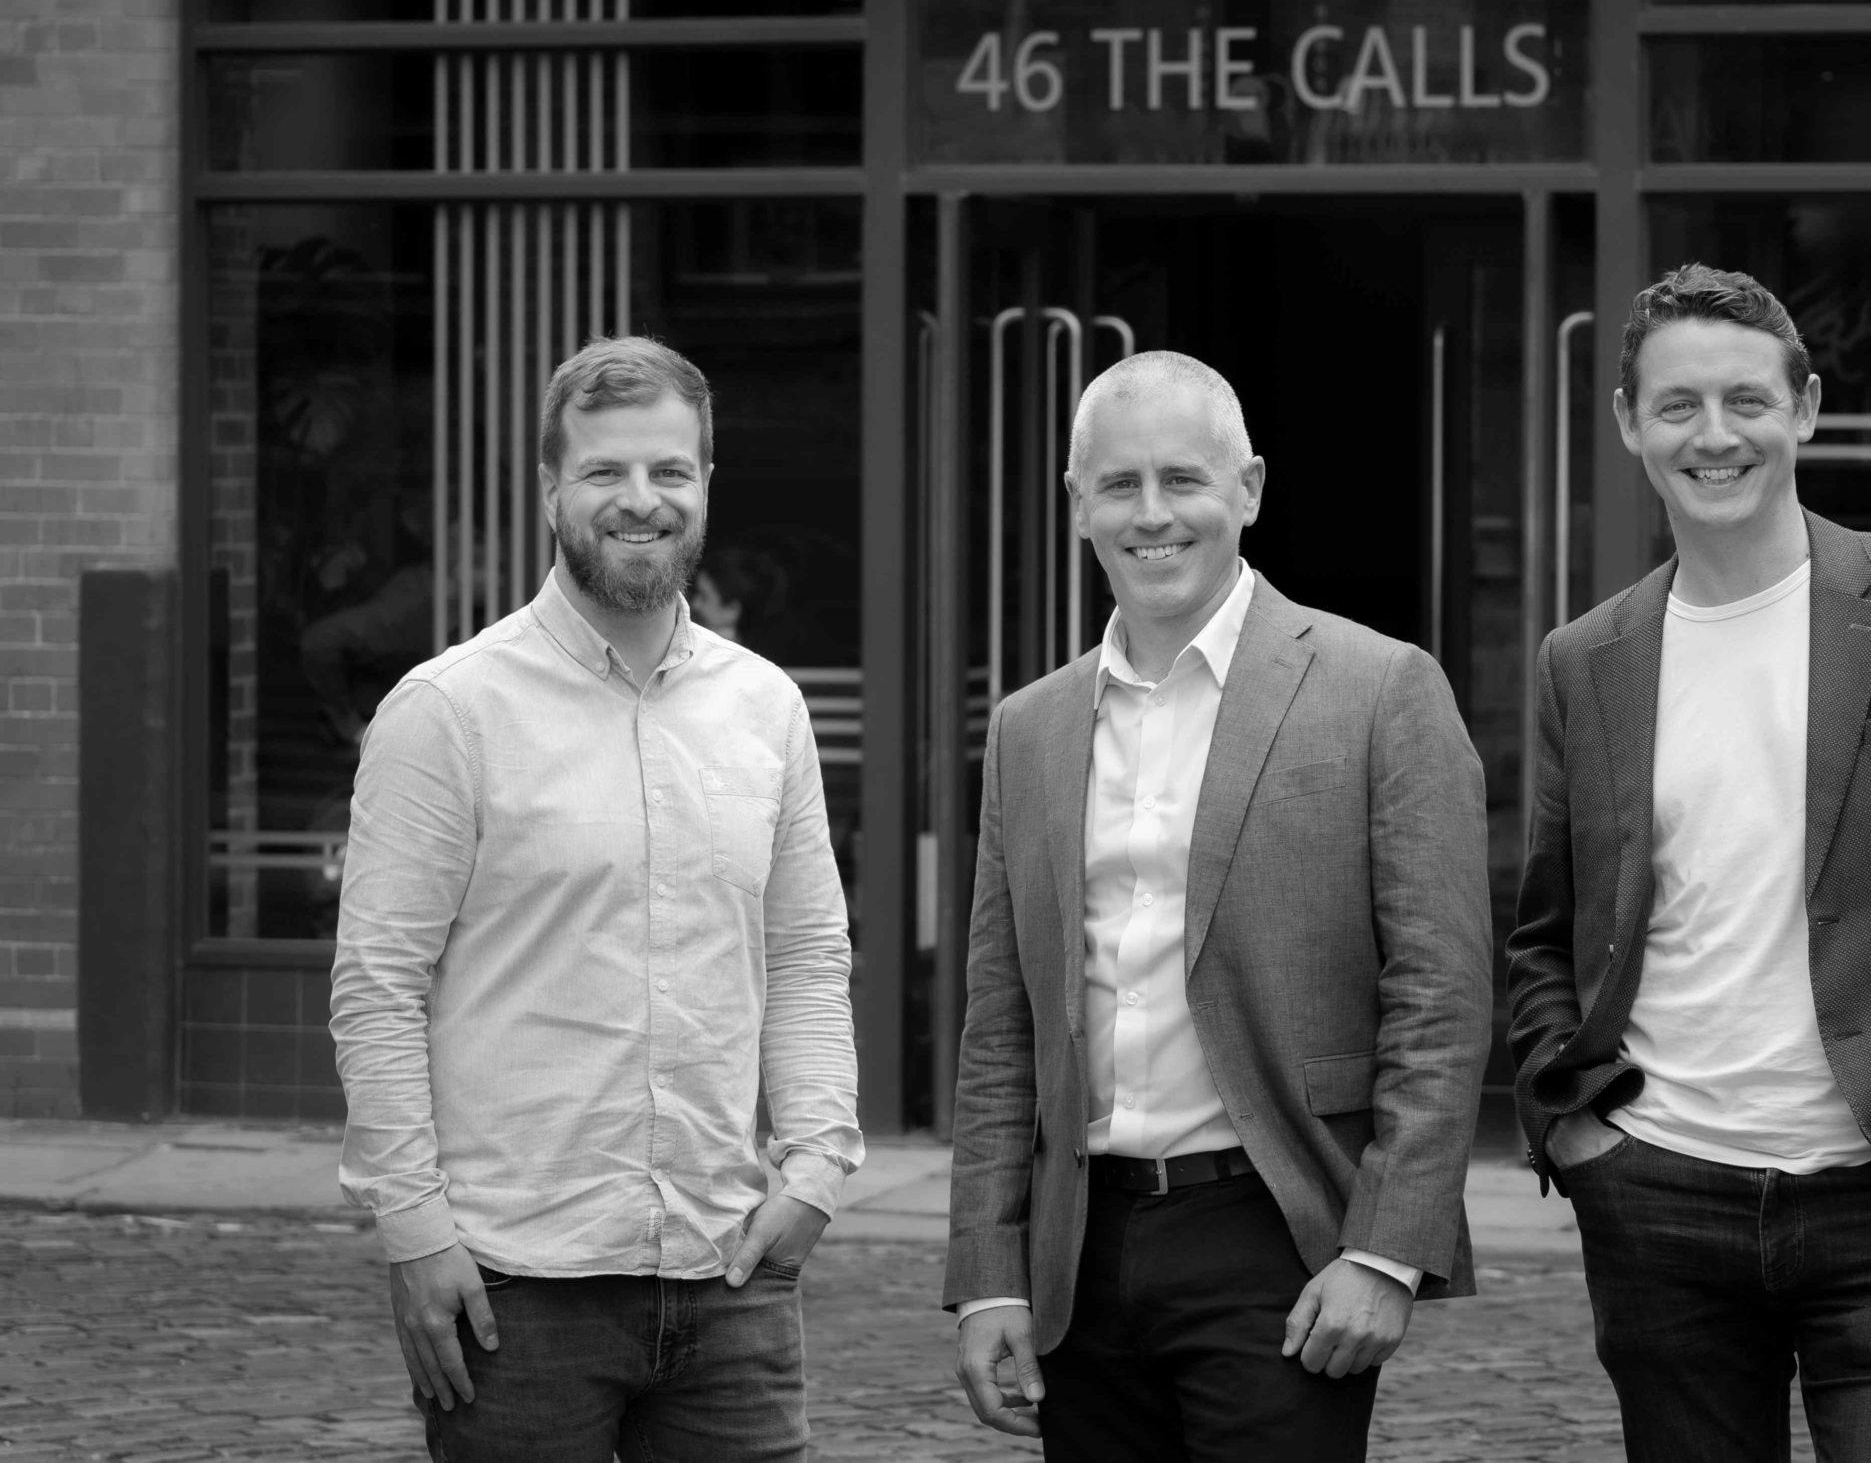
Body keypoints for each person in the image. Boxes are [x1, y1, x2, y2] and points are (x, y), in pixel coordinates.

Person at [1507, 265, 1871, 1462]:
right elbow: (1543, 929)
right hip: (1660, 1194)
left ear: (1804, 408)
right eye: (1676, 406)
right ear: (1627, 424)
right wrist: (1576, 1129)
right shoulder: (1585, 657)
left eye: (1744, 400)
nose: (1713, 435)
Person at [944, 350, 1492, 1461]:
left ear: (1245, 488)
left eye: (1184, 480)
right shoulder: (1029, 726)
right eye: (1120, 484)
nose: (1153, 514)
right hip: (1079, 1249)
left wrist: (1384, 1247)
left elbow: (1439, 995)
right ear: (1077, 503)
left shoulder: (1379, 687)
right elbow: (1000, 1026)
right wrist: (987, 1274)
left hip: (1276, 1235)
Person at [330, 336, 863, 1462]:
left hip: (730, 1280)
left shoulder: (765, 706)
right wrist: (416, 1233)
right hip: (516, 1291)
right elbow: (378, 990)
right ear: (549, 488)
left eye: (670, 470)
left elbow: (809, 952)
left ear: (707, 484)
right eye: (604, 471)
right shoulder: (447, 713)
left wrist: (816, 1165)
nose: (641, 499)